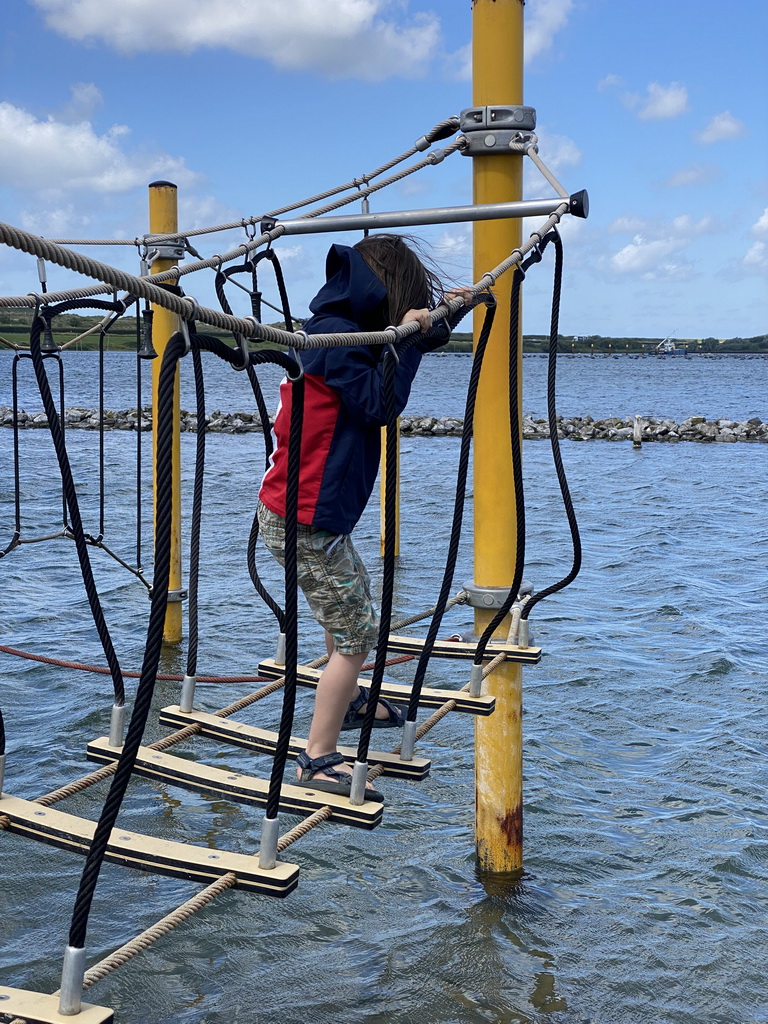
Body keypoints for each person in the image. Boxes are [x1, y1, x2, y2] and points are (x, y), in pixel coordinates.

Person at [258, 234, 471, 801]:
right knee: (356, 635)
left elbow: (390, 353)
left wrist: (444, 318)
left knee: (348, 603)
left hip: (304, 514)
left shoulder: (335, 326)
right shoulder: (336, 341)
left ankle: (349, 700)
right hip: (307, 519)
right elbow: (380, 402)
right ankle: (316, 757)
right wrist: (418, 343)